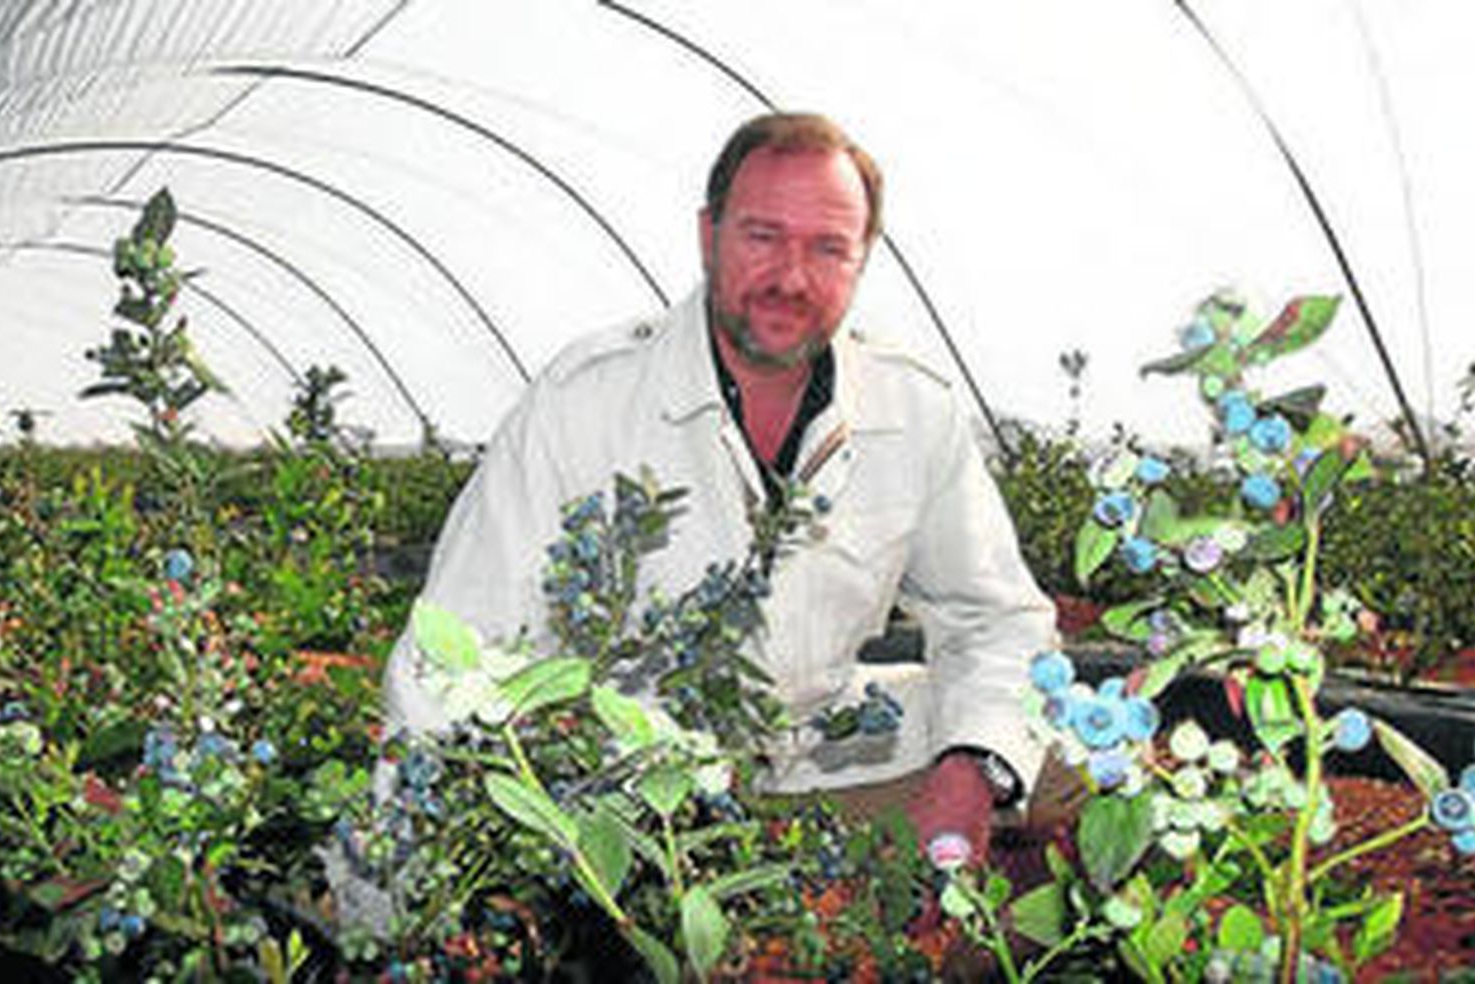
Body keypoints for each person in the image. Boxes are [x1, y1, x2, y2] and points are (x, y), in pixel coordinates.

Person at [385, 111, 1060, 862]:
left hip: (825, 756)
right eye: (762, 236)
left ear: (862, 260)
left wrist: (974, 764)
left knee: (1068, 753)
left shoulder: (911, 408)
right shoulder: (587, 402)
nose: (790, 279)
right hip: (630, 783)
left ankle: (916, 919)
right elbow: (452, 649)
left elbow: (997, 618)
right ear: (709, 236)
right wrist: (419, 902)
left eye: (828, 248)